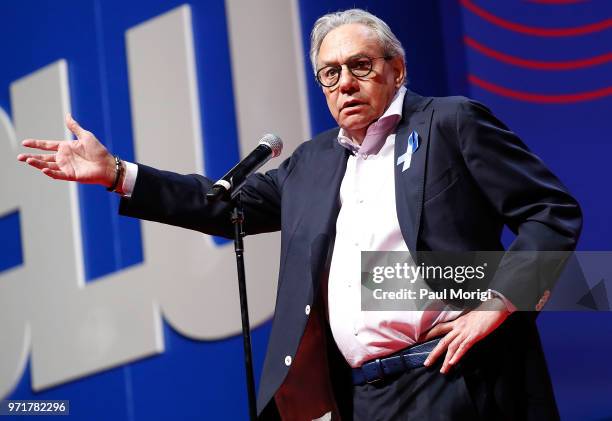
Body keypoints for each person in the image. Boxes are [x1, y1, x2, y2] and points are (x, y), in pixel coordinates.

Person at [17, 8, 581, 421]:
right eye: (330, 74)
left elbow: (550, 211)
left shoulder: (450, 123)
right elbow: (221, 207)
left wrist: (500, 300)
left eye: (360, 65)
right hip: (360, 397)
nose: (345, 84)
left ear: (397, 69)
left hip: (457, 380)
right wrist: (117, 172)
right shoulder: (312, 163)